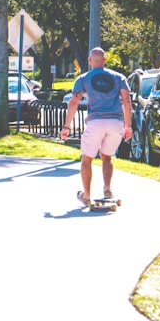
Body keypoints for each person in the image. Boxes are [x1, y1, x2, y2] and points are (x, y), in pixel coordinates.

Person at [60, 47, 132, 206]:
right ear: (105, 60)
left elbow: (73, 102)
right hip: (116, 122)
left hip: (95, 122)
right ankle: (107, 189)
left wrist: (67, 127)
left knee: (87, 158)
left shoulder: (83, 78)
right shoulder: (119, 77)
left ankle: (86, 195)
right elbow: (126, 101)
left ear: (89, 61)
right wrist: (128, 125)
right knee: (107, 156)